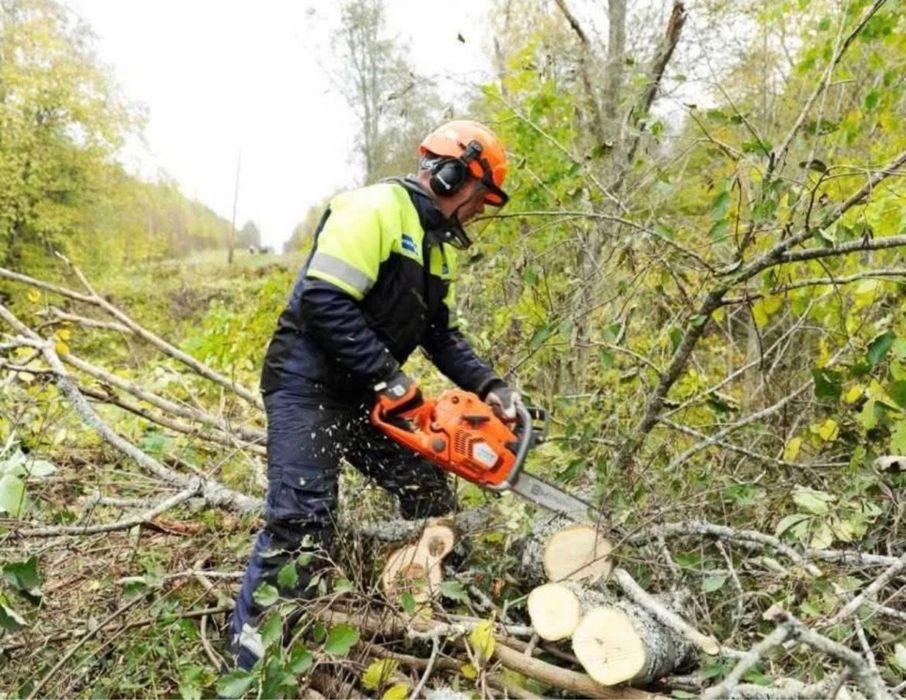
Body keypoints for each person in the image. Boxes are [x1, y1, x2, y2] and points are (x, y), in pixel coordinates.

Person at [229, 120, 521, 669]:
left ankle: (428, 599)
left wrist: (491, 387)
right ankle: (251, 657)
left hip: (363, 391)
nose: (480, 212)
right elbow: (323, 300)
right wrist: (391, 378)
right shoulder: (374, 209)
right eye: (480, 199)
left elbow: (439, 334)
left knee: (425, 480)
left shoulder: (436, 249)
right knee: (301, 519)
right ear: (453, 176)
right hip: (306, 384)